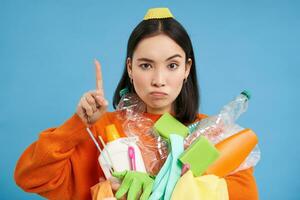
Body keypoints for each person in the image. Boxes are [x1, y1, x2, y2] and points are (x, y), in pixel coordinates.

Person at [14, 7, 259, 200]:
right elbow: (31, 177)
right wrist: (80, 124)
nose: (158, 80)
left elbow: (245, 195)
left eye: (172, 65)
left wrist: (159, 189)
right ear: (130, 68)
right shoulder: (100, 132)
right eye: (146, 65)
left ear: (187, 69)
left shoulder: (211, 133)